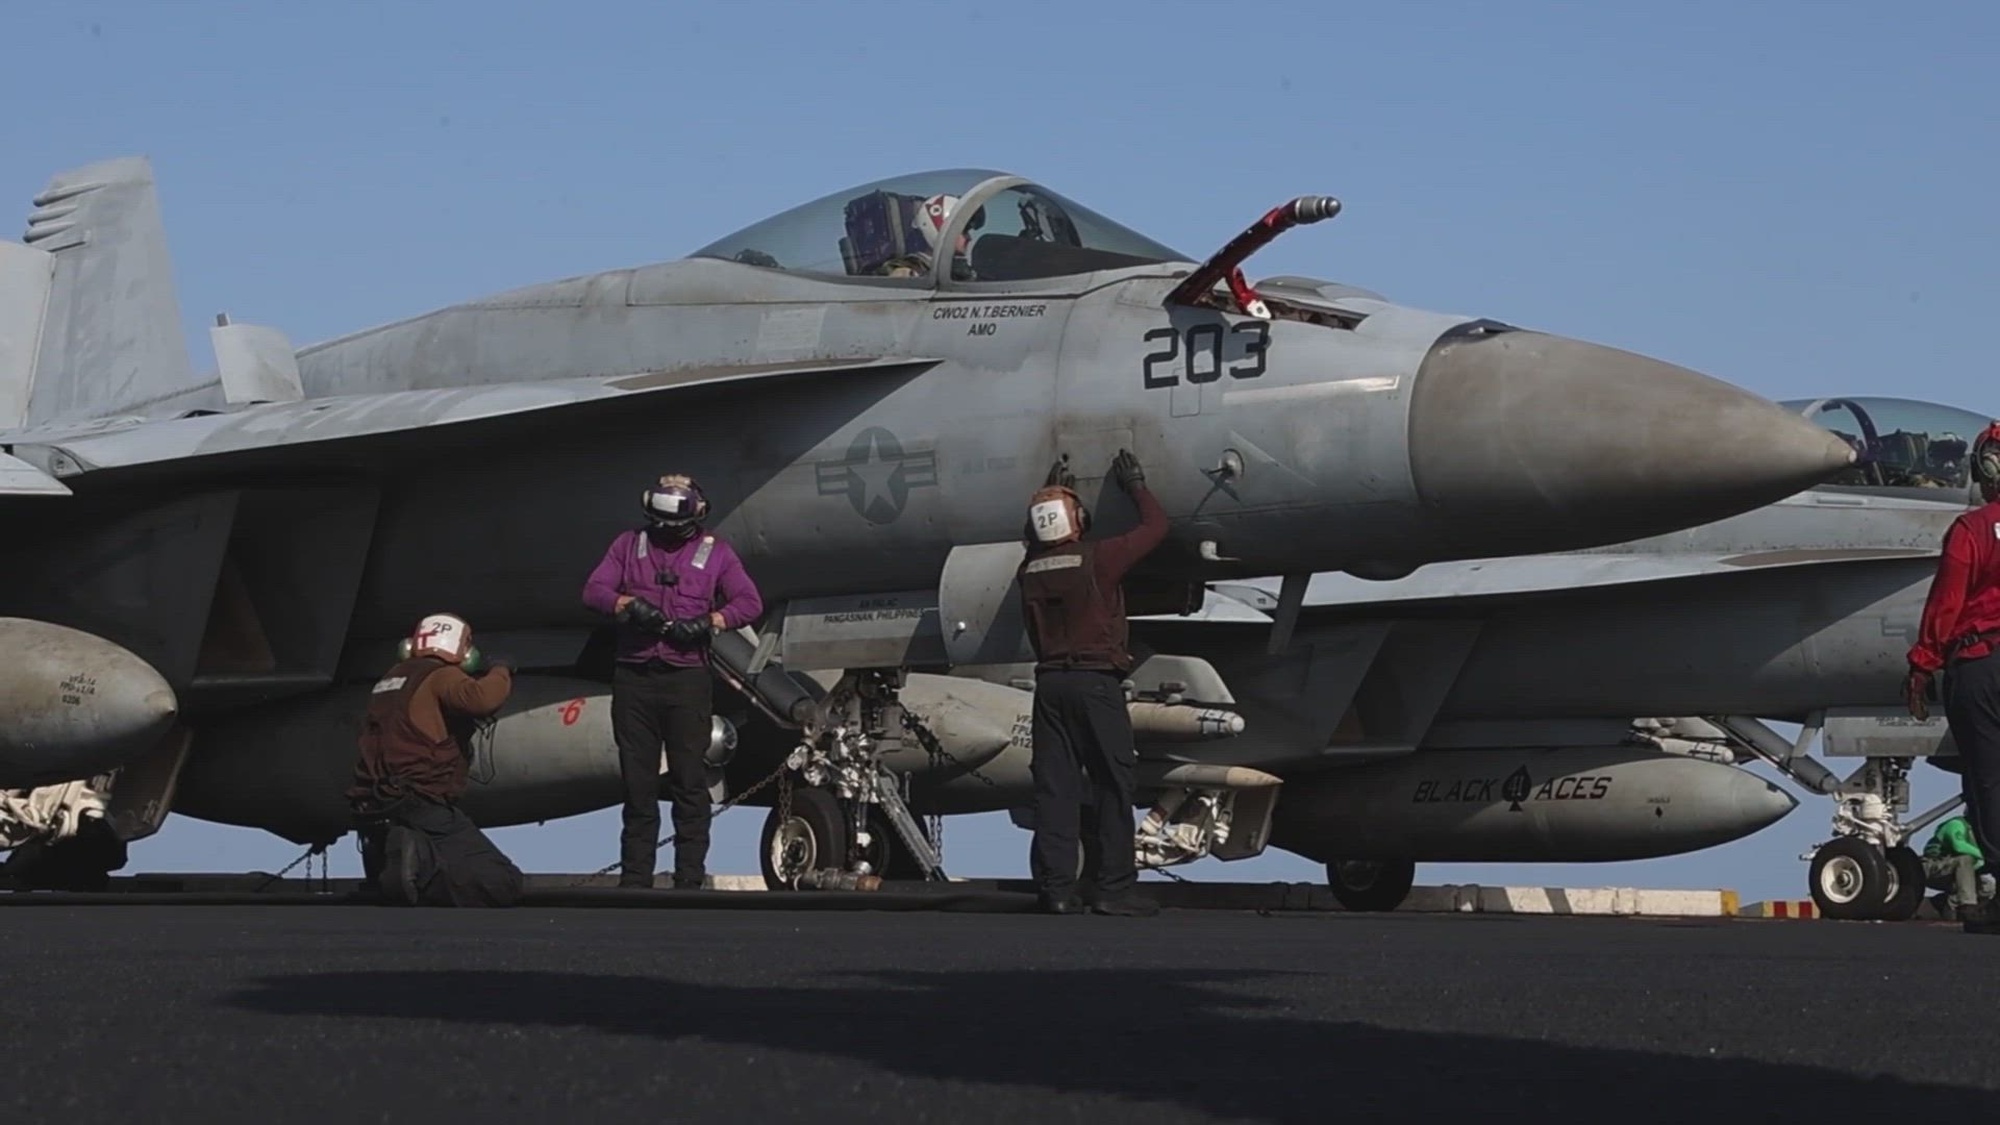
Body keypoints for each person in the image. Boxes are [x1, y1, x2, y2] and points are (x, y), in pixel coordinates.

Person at [582, 473, 764, 889]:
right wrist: (627, 605)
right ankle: (635, 879)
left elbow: (748, 601)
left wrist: (710, 622)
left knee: (689, 781)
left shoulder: (715, 552)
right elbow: (594, 591)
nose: (668, 535)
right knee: (638, 784)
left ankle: (689, 879)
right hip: (635, 677)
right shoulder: (629, 545)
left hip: (687, 680)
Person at [1016, 448, 1168, 916]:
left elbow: (1037, 542)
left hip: (1050, 690)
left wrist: (1053, 494)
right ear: (1078, 520)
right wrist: (1136, 485)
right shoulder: (1099, 559)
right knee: (1112, 785)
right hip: (1094, 684)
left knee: (1056, 791)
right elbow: (1156, 528)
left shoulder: (1029, 572)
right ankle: (1112, 889)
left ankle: (1056, 890)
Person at [347, 612, 523, 907]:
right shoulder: (440, 675)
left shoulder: (392, 678)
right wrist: (501, 669)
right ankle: (416, 863)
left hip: (375, 802)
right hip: (418, 800)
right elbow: (481, 699)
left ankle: (397, 857)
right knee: (501, 883)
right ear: (462, 649)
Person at [1905, 419, 2000, 928]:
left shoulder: (1973, 529)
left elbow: (1946, 605)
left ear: (1988, 468)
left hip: (1982, 666)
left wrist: (1922, 665)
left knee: (1989, 783)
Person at [1921, 814, 1993, 920]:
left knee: (1988, 888)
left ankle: (1944, 902)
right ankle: (1968, 907)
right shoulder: (1956, 824)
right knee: (1965, 859)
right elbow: (1958, 846)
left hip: (1955, 873)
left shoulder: (1982, 834)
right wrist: (1986, 855)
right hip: (1931, 867)